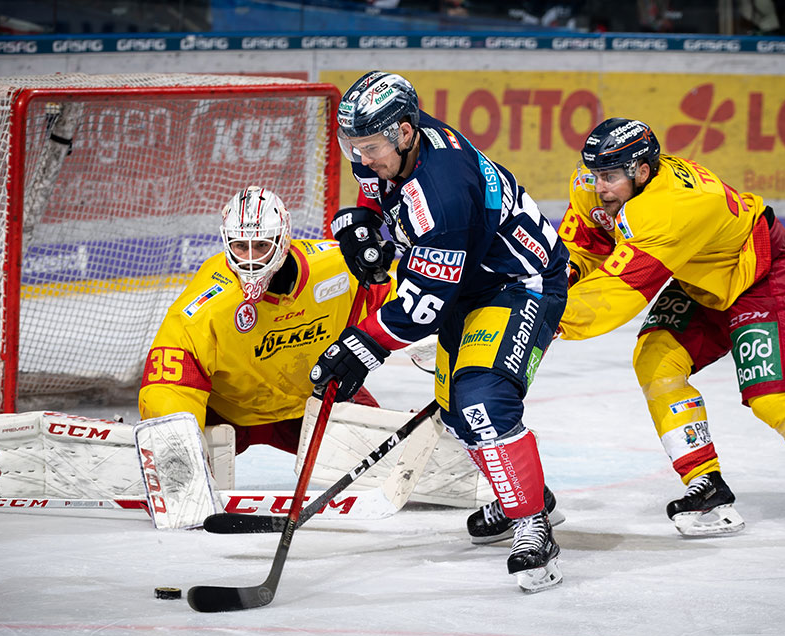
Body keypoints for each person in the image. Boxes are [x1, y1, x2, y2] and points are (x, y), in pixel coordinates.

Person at [555, 117, 785, 545]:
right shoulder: (598, 185)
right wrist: (554, 282)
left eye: (609, 177)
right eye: (594, 174)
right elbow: (584, 247)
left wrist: (549, 318)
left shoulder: (670, 207)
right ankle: (707, 488)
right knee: (656, 359)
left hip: (758, 277)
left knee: (775, 398)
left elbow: (620, 291)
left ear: (641, 171)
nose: (599, 187)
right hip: (702, 278)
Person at [307, 71, 569, 591]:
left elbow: (421, 308)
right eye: (352, 148)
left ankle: (531, 522)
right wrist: (360, 223)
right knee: (455, 413)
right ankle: (527, 491)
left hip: (517, 284)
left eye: (371, 148)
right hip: (469, 283)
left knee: (482, 403)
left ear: (406, 133)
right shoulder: (392, 146)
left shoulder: (443, 194)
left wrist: (361, 347)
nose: (361, 160)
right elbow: (384, 203)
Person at [138, 186, 389, 456]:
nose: (250, 260)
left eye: (261, 245)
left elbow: (400, 306)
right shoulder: (206, 304)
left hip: (314, 402)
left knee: (385, 452)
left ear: (283, 240)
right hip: (229, 415)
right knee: (172, 443)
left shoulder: (337, 269)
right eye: (239, 246)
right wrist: (177, 448)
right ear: (226, 243)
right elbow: (169, 384)